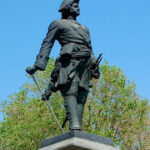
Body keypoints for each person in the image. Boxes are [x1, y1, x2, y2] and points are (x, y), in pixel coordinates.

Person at [26, 0, 100, 131]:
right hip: (70, 61)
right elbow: (47, 44)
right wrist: (38, 65)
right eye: (75, 6)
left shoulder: (85, 28)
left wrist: (94, 64)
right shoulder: (58, 24)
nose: (78, 8)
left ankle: (78, 126)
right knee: (71, 90)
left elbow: (89, 47)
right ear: (68, 7)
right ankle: (74, 124)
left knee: (82, 93)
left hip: (86, 63)